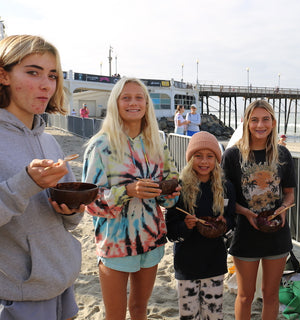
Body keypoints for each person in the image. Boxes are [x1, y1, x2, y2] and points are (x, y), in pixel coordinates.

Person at [0, 34, 84, 320]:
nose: (46, 85)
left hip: (63, 282)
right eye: (33, 72)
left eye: (52, 75)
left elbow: (69, 221)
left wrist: (72, 209)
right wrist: (25, 184)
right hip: (18, 294)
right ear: (4, 75)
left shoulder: (49, 141)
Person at [82, 77, 180, 320]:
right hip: (116, 242)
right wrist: (128, 191)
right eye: (126, 97)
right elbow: (89, 202)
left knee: (139, 310)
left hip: (153, 239)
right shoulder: (101, 146)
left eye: (139, 98)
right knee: (115, 315)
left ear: (147, 104)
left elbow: (172, 189)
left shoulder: (157, 142)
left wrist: (165, 194)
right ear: (115, 103)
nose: (133, 103)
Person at [222, 100, 296, 320]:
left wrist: (283, 208)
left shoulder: (282, 154)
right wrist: (246, 213)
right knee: (246, 296)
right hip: (244, 234)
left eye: (265, 119)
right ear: (246, 123)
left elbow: (290, 193)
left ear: (273, 123)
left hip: (277, 233)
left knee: (271, 295)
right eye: (254, 120)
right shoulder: (233, 156)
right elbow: (226, 199)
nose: (260, 125)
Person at [166, 131, 236, 319]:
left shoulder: (226, 187)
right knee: (189, 315)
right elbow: (170, 231)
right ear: (190, 159)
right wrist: (185, 226)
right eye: (198, 156)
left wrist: (225, 223)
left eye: (210, 156)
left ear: (216, 159)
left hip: (214, 260)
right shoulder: (179, 187)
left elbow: (232, 219)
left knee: (213, 313)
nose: (204, 161)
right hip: (186, 261)